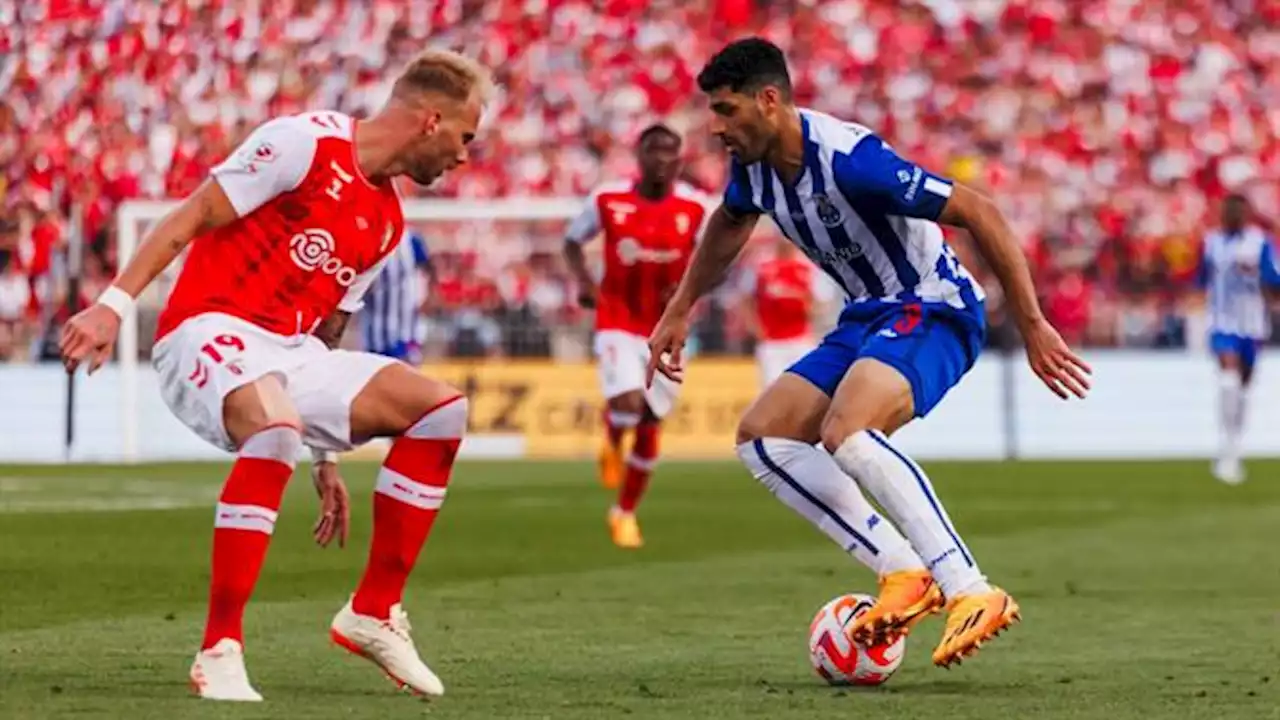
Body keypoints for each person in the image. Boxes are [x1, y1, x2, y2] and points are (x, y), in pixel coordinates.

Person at [59, 50, 492, 701]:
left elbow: (327, 336)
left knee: (441, 410)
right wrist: (112, 306)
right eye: (465, 137)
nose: (464, 156)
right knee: (276, 423)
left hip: (289, 354)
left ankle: (372, 612)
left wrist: (326, 456)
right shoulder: (304, 142)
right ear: (431, 120)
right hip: (204, 330)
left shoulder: (387, 223)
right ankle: (219, 649)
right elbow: (192, 215)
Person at [646, 38, 1090, 669]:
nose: (715, 128)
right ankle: (903, 571)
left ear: (769, 101)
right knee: (763, 438)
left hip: (933, 305)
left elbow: (977, 210)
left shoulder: (853, 161)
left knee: (846, 431)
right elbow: (729, 222)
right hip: (867, 314)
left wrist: (1031, 322)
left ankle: (970, 588)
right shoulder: (754, 167)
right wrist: (680, 305)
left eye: (725, 110)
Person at [563, 123, 706, 549]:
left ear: (680, 160)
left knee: (650, 421)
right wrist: (585, 283)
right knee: (628, 400)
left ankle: (623, 512)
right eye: (654, 151)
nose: (662, 159)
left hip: (667, 326)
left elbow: (718, 256)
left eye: (671, 152)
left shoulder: (697, 207)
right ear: (639, 157)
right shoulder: (608, 199)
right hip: (616, 319)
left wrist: (688, 294)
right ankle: (611, 434)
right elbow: (571, 242)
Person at [1198, 193, 1280, 484]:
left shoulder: (1259, 243)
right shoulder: (1211, 243)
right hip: (1222, 323)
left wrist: (1259, 278)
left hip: (1252, 325)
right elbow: (1200, 279)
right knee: (1228, 381)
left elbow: (1274, 281)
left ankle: (1234, 446)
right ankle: (1225, 450)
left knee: (1243, 390)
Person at [739, 234, 833, 388]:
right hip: (772, 341)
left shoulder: (808, 269)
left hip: (800, 340)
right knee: (770, 389)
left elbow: (821, 304)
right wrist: (755, 328)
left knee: (804, 389)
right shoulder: (760, 267)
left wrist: (804, 304)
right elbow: (745, 299)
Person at [363, 224, 434, 363]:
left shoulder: (411, 240)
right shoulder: (368, 241)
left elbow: (429, 270)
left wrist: (428, 297)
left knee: (405, 371)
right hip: (376, 325)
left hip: (406, 325)